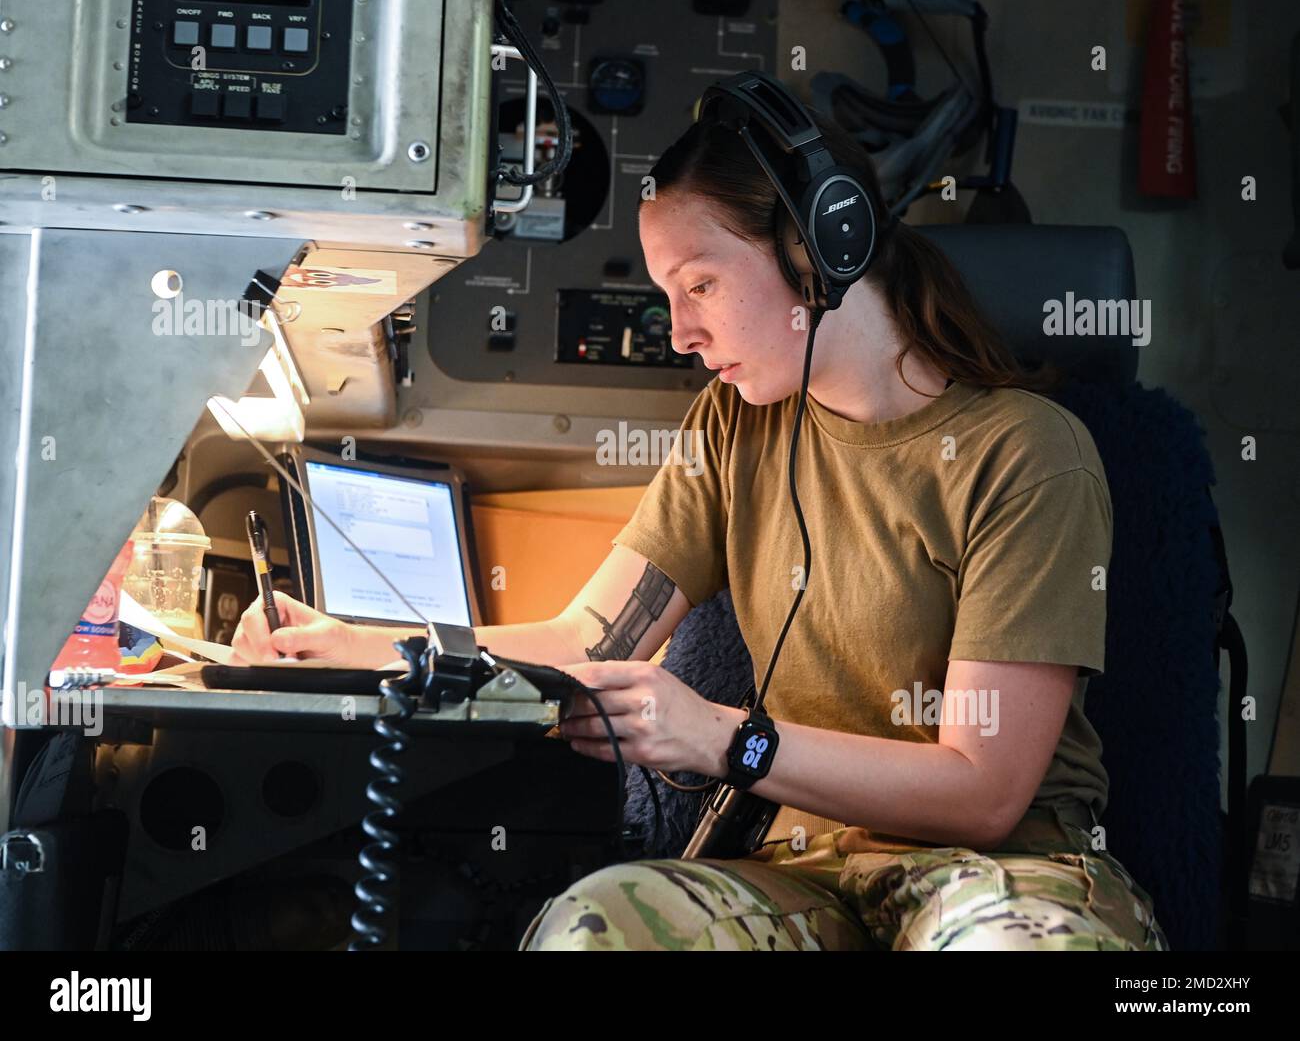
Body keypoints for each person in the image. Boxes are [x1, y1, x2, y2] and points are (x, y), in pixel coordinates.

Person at [231, 110, 1168, 952]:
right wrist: (365, 648)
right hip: (807, 880)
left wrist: (730, 740)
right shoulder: (733, 426)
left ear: (819, 248)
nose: (679, 331)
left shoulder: (1030, 453)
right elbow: (584, 642)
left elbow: (985, 791)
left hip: (1000, 877)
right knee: (595, 929)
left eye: (701, 285)